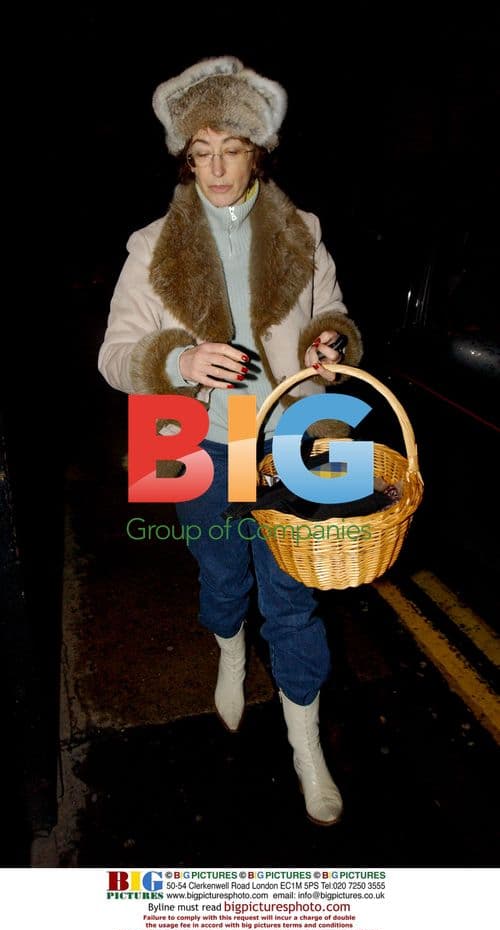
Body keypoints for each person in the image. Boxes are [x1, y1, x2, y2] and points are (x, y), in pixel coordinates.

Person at [98, 56, 363, 826]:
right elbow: (114, 356)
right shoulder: (150, 245)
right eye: (201, 151)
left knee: (294, 594)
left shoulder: (303, 231)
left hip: (292, 430)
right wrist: (177, 359)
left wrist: (330, 345)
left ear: (259, 149)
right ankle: (228, 647)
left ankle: (305, 744)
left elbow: (334, 314)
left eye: (231, 148)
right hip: (185, 433)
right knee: (220, 574)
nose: (215, 168)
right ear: (187, 154)